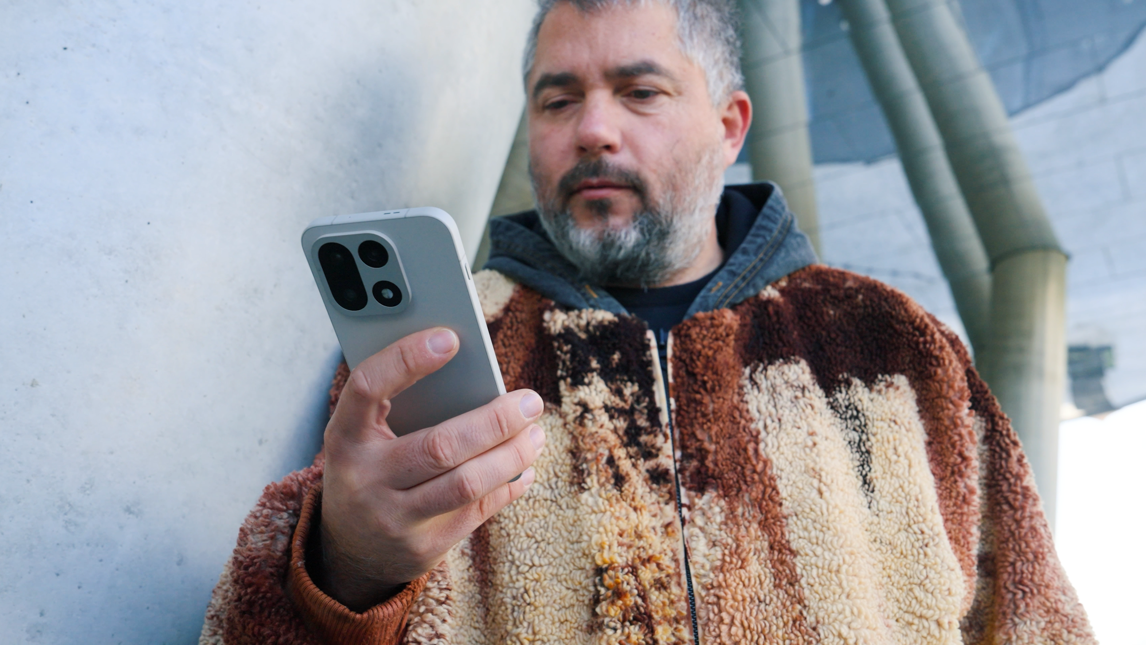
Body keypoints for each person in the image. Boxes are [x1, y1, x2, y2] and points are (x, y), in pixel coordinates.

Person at [201, 0, 1095, 643]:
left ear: (730, 125)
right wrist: (344, 571)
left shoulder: (889, 344)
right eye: (557, 100)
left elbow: (1033, 617)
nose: (593, 129)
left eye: (640, 91)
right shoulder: (431, 350)